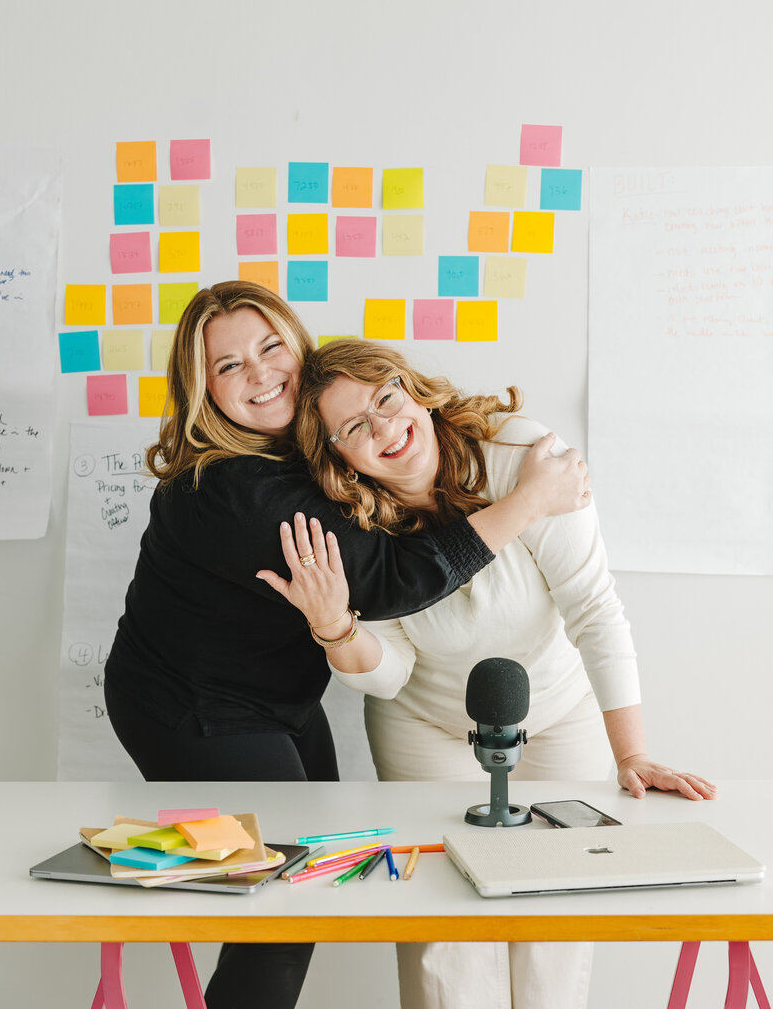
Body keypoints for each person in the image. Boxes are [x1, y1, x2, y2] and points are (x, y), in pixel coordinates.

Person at [103, 281, 593, 1009]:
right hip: (194, 706)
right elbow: (390, 578)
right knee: (288, 899)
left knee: (327, 870)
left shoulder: (310, 449)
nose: (261, 372)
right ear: (202, 390)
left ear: (300, 346)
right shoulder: (238, 486)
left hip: (278, 698)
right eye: (229, 366)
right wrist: (525, 502)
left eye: (271, 347)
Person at [259, 338, 717, 1009]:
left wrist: (635, 753)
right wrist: (335, 628)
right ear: (340, 458)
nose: (385, 426)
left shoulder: (524, 458)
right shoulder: (353, 526)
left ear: (414, 390)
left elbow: (594, 609)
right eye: (356, 426)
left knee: (553, 909)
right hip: (426, 722)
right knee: (447, 924)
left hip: (557, 710)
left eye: (387, 398)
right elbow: (389, 675)